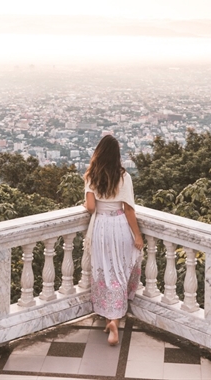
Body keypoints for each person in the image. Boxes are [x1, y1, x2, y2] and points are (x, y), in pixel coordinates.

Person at [83, 135, 143, 346]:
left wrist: (86, 204)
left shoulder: (91, 176)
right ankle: (114, 320)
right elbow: (128, 209)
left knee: (105, 272)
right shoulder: (124, 177)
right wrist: (137, 235)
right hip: (119, 226)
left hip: (100, 228)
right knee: (119, 271)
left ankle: (110, 318)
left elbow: (91, 208)